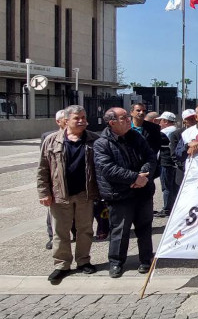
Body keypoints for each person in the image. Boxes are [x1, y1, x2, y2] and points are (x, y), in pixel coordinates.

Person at [37, 105, 100, 284]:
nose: (81, 121)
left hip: (85, 194)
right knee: (60, 231)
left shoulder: (94, 140)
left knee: (85, 230)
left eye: (83, 117)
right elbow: (43, 168)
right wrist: (44, 192)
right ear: (66, 121)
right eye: (77, 118)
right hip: (59, 194)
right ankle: (62, 265)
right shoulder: (51, 140)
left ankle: (83, 261)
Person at [94, 107, 157, 278]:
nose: (129, 119)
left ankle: (146, 259)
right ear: (112, 122)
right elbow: (108, 169)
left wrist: (143, 176)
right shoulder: (101, 143)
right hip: (119, 194)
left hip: (142, 192)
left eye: (127, 116)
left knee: (145, 228)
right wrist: (134, 178)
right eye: (124, 118)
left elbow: (150, 157)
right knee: (120, 230)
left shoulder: (137, 137)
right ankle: (116, 262)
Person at [42, 109, 67, 250]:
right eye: (65, 118)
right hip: (56, 183)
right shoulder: (48, 137)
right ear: (59, 121)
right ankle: (52, 237)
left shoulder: (84, 137)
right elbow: (44, 163)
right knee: (53, 214)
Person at [154, 112, 178, 218]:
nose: (160, 123)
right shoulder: (177, 130)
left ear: (166, 121)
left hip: (166, 162)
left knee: (166, 187)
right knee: (174, 186)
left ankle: (167, 209)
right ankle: (174, 207)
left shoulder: (164, 132)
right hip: (175, 162)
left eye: (161, 121)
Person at [169, 109, 196, 192]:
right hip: (183, 171)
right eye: (190, 119)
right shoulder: (176, 134)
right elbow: (174, 154)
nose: (193, 120)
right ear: (184, 121)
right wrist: (185, 166)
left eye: (194, 118)